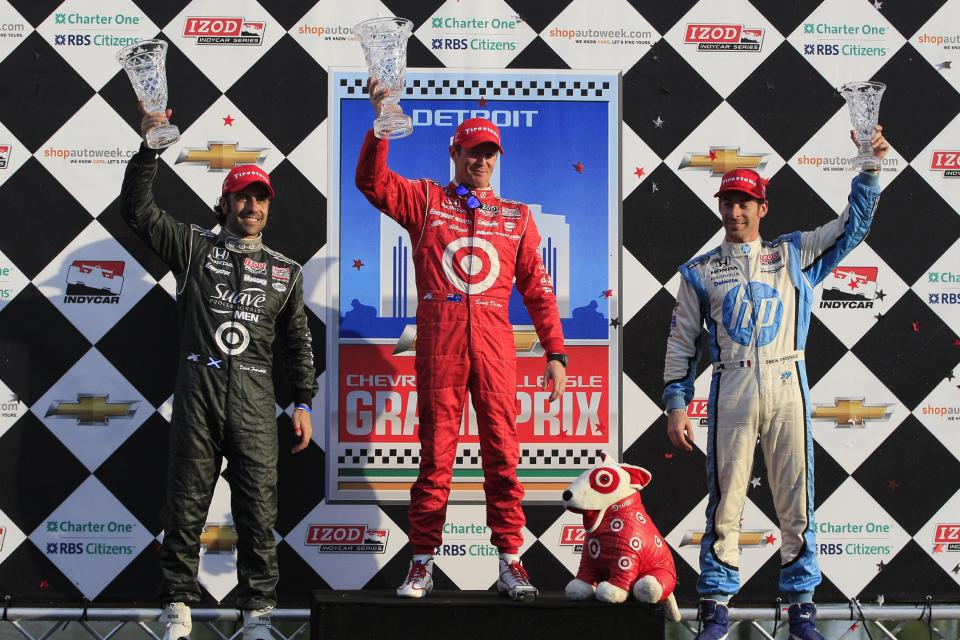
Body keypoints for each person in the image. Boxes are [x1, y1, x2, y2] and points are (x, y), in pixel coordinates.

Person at [662, 127, 889, 640]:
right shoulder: (701, 271)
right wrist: (678, 402)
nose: (736, 213)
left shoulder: (792, 254)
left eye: (745, 204)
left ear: (762, 208)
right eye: (728, 203)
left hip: (789, 378)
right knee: (726, 501)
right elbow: (681, 343)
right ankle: (716, 608)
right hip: (732, 386)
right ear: (719, 208)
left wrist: (869, 171)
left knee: (796, 499)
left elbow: (852, 228)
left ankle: (801, 609)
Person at [356, 78, 568, 601]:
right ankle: (422, 562)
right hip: (440, 342)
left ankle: (510, 561)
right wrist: (383, 120)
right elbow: (371, 181)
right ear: (455, 152)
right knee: (436, 457)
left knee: (502, 454)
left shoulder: (517, 217)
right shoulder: (426, 200)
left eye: (490, 153)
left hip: (495, 346)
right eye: (473, 151)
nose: (482, 160)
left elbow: (539, 289)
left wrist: (556, 352)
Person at [121, 102, 318, 640]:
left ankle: (257, 611)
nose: (251, 205)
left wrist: (303, 401)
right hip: (199, 393)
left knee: (259, 510)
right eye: (242, 196)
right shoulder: (191, 246)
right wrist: (150, 148)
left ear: (268, 208)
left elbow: (297, 342)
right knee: (185, 506)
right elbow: (136, 210)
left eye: (260, 198)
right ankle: (178, 607)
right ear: (224, 201)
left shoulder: (285, 270)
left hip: (255, 398)